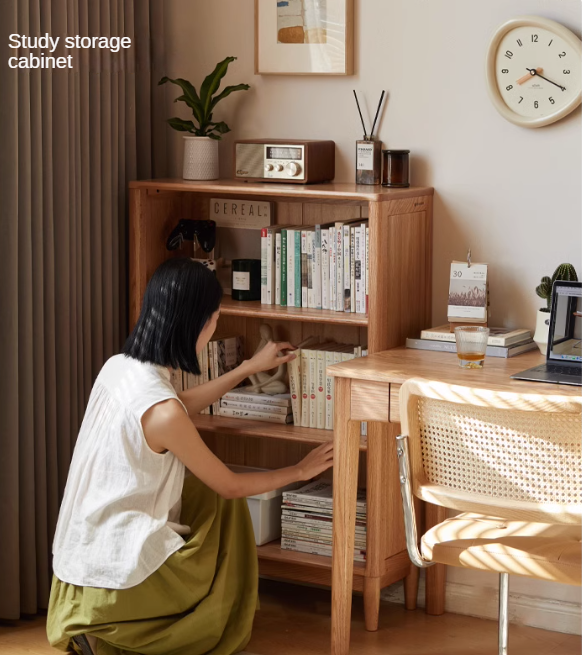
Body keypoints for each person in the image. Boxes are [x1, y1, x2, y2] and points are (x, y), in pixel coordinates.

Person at [46, 258, 333, 655]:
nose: (214, 326)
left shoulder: (119, 369)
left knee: (202, 492)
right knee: (223, 502)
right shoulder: (163, 414)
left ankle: (102, 627)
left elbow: (176, 407)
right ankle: (136, 628)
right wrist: (300, 469)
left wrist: (247, 367)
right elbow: (230, 485)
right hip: (120, 572)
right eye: (214, 318)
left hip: (78, 559)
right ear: (194, 323)